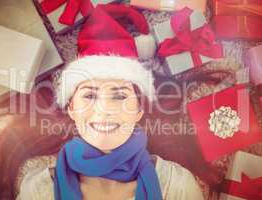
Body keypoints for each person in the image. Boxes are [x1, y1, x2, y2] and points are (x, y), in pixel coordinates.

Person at [15, 4, 204, 200]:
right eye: (89, 95)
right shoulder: (37, 191)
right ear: (71, 108)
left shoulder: (178, 188)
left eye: (120, 96)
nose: (104, 110)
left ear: (139, 110)